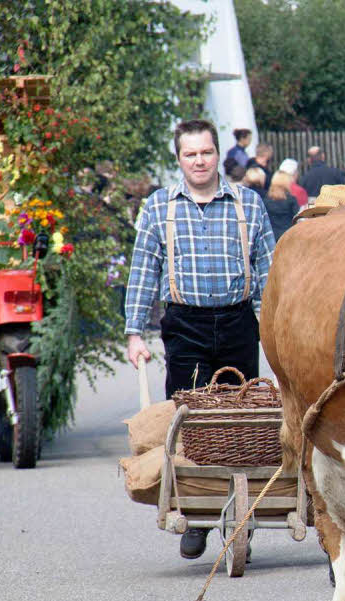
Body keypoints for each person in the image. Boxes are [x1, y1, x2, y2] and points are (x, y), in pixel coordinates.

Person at [124, 119, 275, 560]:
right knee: (188, 419)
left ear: (217, 154)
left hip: (237, 321)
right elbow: (143, 273)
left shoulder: (247, 202)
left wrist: (276, 330)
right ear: (179, 159)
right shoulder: (159, 206)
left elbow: (268, 270)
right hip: (184, 323)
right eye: (190, 154)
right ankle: (198, 516)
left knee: (238, 418)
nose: (199, 161)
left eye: (206, 152)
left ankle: (236, 509)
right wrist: (135, 333)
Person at [263, 170, 300, 242]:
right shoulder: (291, 200)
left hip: (270, 236)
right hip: (288, 236)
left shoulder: (265, 200)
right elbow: (297, 217)